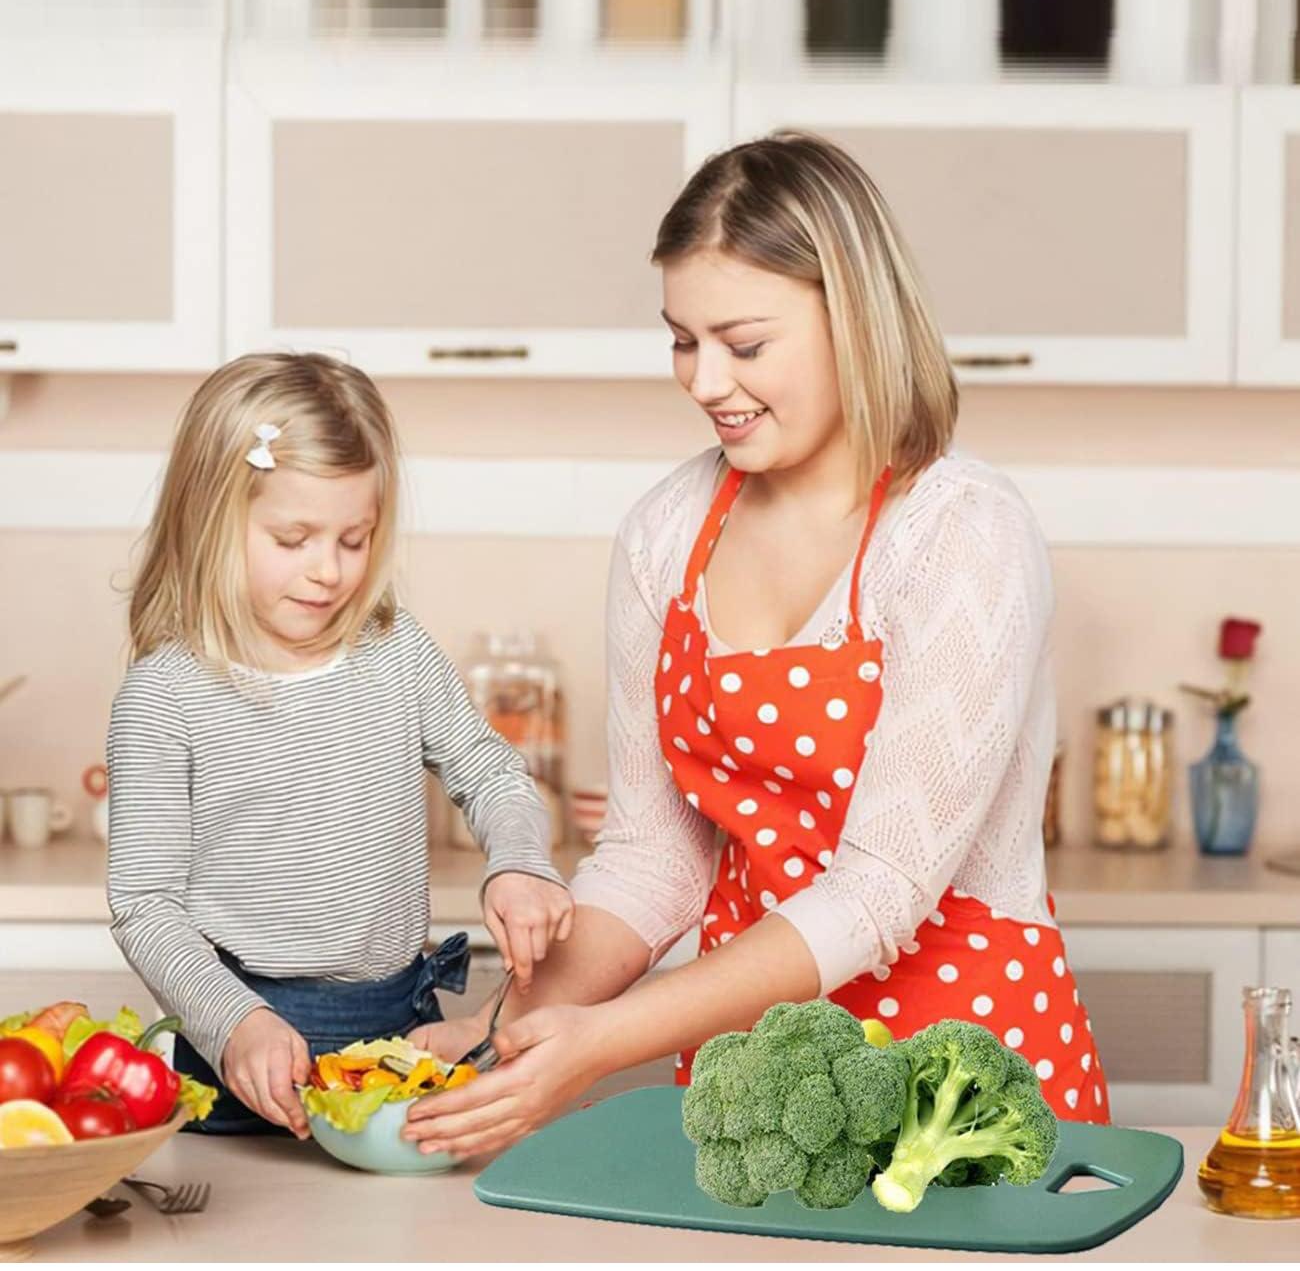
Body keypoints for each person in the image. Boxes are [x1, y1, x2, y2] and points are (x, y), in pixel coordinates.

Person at [403, 132, 1110, 1161]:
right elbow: (654, 855)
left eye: (742, 341)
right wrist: (499, 1034)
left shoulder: (961, 531)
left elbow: (881, 890)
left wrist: (600, 1043)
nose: (702, 379)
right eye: (681, 339)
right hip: (759, 1090)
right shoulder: (665, 531)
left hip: (967, 1078)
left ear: (854, 318)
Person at [106, 351, 573, 1137]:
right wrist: (236, 1025)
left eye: (354, 540)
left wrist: (521, 862)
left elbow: (490, 771)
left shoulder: (394, 651)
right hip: (233, 1059)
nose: (329, 572)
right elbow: (146, 908)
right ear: (211, 517)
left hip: (397, 1045)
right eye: (293, 539)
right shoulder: (165, 695)